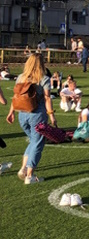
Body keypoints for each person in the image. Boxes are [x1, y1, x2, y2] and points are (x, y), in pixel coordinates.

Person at [5, 53, 55, 184]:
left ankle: (23, 169)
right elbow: (47, 98)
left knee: (33, 141)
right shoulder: (43, 78)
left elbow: (16, 97)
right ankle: (30, 176)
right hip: (37, 114)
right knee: (38, 144)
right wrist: (52, 115)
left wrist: (11, 113)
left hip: (22, 114)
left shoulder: (21, 77)